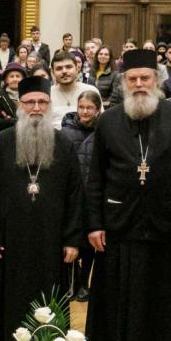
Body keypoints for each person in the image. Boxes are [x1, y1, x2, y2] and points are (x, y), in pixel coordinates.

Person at [86, 49, 171, 341]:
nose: (138, 84)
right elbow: (95, 177)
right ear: (123, 83)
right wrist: (94, 223)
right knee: (115, 296)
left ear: (156, 81)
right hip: (118, 222)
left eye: (145, 79)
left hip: (163, 221)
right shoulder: (109, 120)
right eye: (132, 79)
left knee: (159, 298)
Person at [0, 77, 82, 341]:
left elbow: (76, 195)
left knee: (50, 301)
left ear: (49, 106)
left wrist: (73, 239)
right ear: (19, 106)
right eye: (29, 102)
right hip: (9, 243)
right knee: (7, 300)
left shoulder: (64, 144)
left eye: (42, 102)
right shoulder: (3, 142)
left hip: (52, 243)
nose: (36, 108)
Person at [60, 91, 101, 302]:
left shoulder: (104, 132)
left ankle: (85, 282)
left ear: (97, 109)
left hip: (93, 195)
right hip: (71, 194)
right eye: (81, 107)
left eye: (90, 108)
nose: (85, 112)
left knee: (89, 244)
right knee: (71, 239)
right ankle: (72, 281)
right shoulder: (66, 132)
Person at [48, 51, 100, 130]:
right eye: (59, 68)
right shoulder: (47, 94)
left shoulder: (91, 90)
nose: (64, 71)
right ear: (52, 72)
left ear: (77, 68)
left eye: (69, 67)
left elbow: (101, 122)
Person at [0, 62, 25, 131]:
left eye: (18, 76)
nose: (15, 79)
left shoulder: (29, 94)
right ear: (6, 80)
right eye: (11, 76)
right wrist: (13, 121)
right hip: (6, 133)